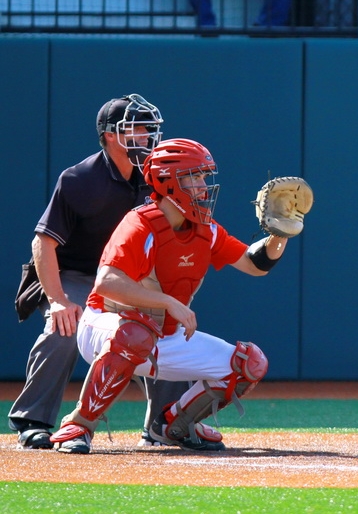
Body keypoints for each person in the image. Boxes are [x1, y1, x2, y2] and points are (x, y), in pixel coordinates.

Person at [49, 138, 292, 454]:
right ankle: (77, 426)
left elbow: (256, 264)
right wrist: (168, 302)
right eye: (195, 176)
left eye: (205, 176)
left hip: (163, 336)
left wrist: (280, 234)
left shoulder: (206, 228)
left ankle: (173, 425)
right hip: (105, 326)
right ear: (168, 182)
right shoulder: (140, 224)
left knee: (249, 364)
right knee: (136, 333)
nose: (204, 185)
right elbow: (107, 282)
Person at [8, 94, 221, 450]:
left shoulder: (159, 173)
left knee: (163, 330)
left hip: (131, 275)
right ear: (110, 135)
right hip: (77, 273)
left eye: (150, 129)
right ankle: (34, 419)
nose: (147, 136)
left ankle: (165, 424)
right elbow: (42, 244)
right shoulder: (79, 178)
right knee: (64, 326)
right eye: (137, 128)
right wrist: (59, 301)